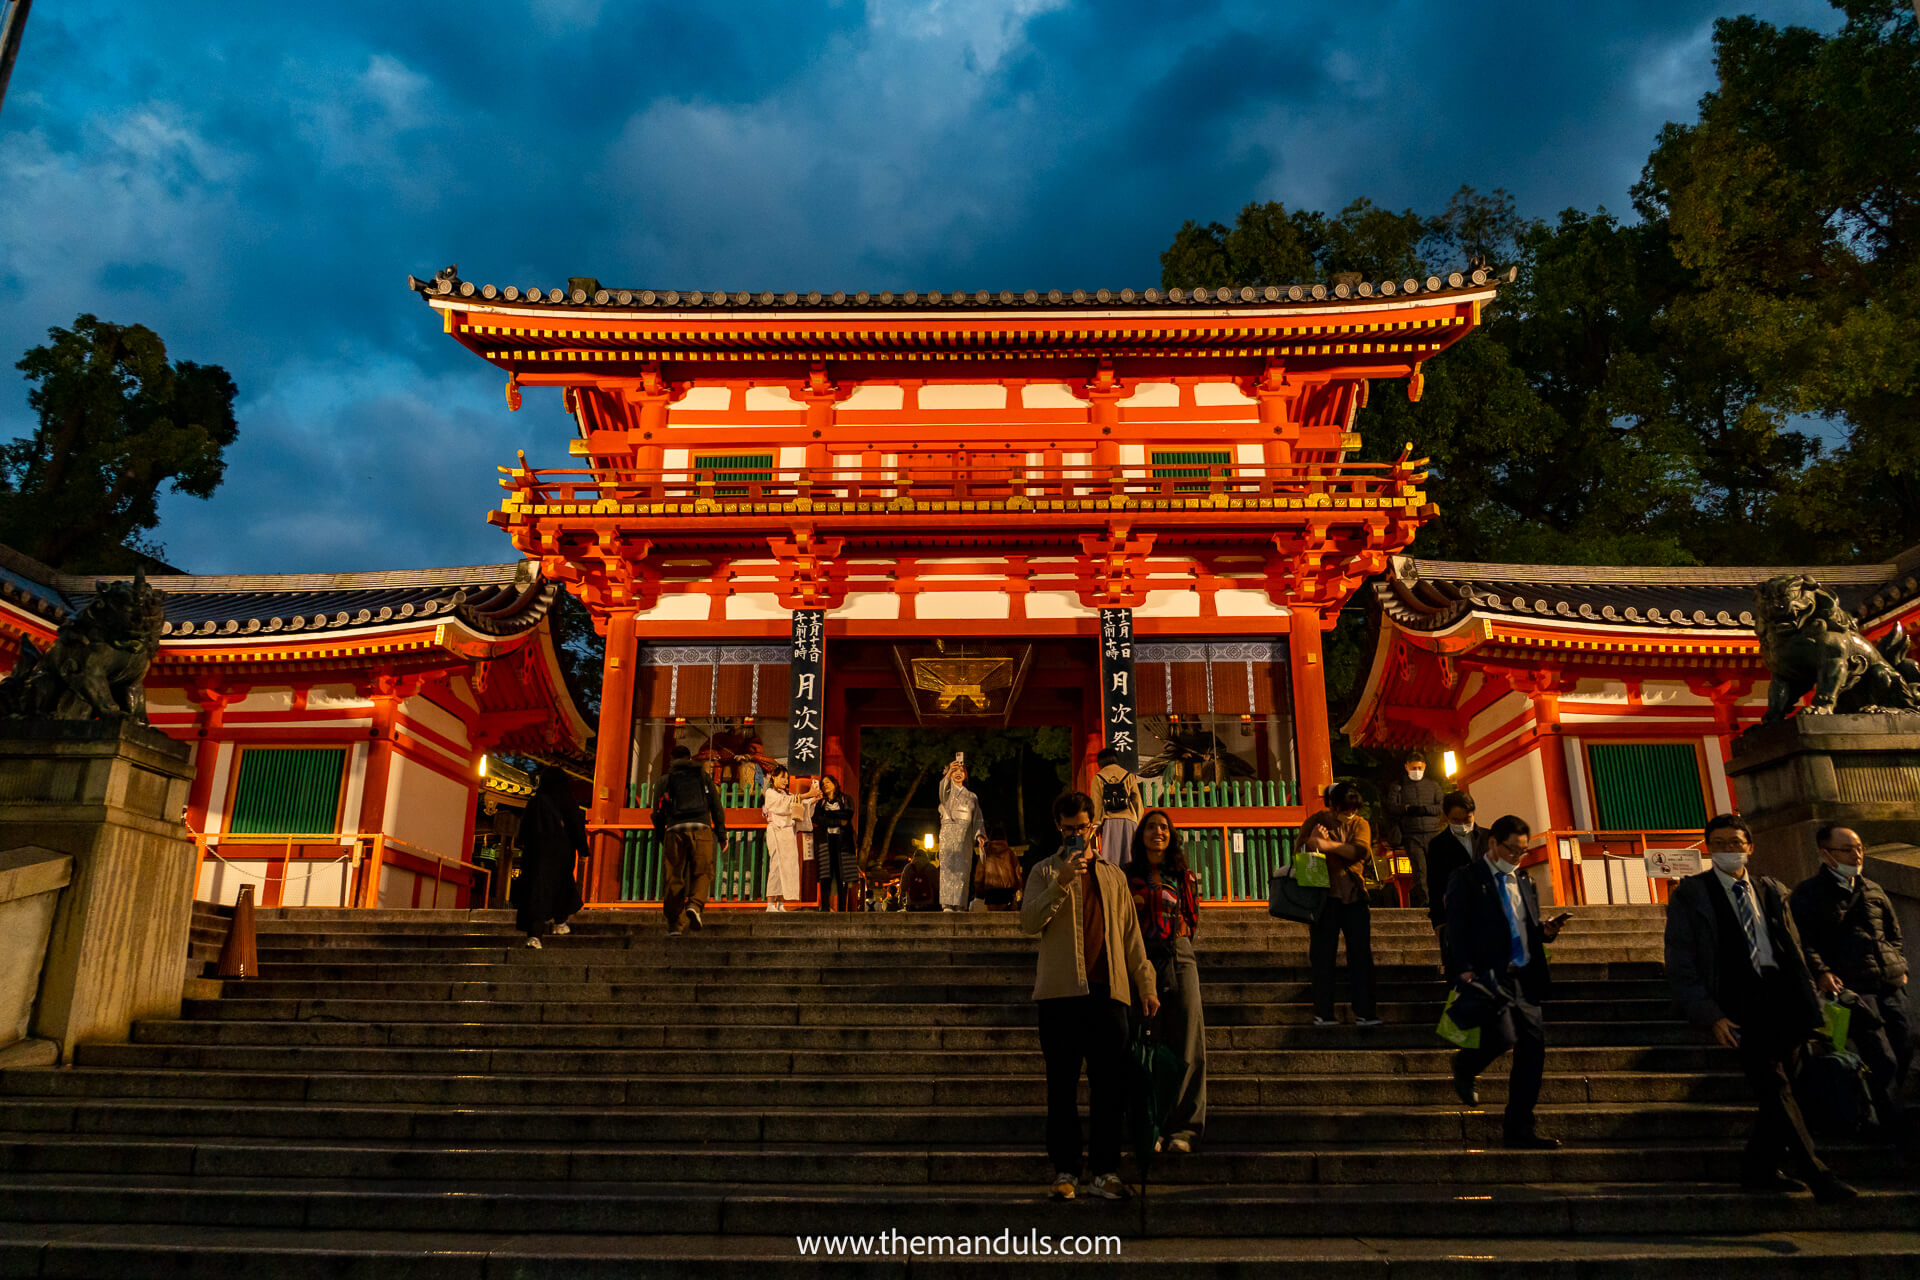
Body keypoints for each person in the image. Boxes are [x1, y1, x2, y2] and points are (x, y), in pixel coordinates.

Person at [1665, 814, 1858, 1203]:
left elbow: (1793, 943)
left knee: (1791, 1088)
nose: (1729, 851)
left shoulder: (1770, 889)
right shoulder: (1693, 895)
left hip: (1784, 997)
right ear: (1708, 849)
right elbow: (1681, 959)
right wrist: (1709, 1013)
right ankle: (1818, 1175)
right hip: (1738, 1001)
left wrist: (1815, 977)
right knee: (1775, 1085)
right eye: (1719, 844)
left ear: (1750, 847)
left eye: (1736, 843)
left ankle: (1758, 1169)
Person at [1020, 790, 1159, 1201]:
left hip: (1109, 991)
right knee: (1061, 1086)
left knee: (1109, 1087)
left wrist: (1145, 983)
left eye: (1082, 827)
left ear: (1094, 826)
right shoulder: (1044, 871)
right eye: (1068, 829)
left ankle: (1104, 1170)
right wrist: (1063, 879)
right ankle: (1065, 1169)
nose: (1076, 835)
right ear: (1058, 829)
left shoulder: (1114, 876)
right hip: (1060, 994)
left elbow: (1132, 936)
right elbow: (1029, 921)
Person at [1445, 814, 1566, 1149]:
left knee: (1532, 1051)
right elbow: (1457, 927)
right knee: (1502, 1038)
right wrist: (1465, 967)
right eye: (1512, 850)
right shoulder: (1468, 879)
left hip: (1526, 974)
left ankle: (1520, 1127)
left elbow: (1527, 925)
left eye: (1523, 851)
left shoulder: (1524, 879)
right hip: (1491, 972)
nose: (1517, 857)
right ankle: (1467, 1064)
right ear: (1493, 844)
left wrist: (1546, 932)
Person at [1790, 825, 1913, 1154]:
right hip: (1852, 989)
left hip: (1888, 983)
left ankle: (1875, 1108)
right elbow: (1805, 941)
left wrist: (1899, 966)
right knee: (1881, 1055)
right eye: (1847, 850)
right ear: (1825, 853)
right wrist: (1821, 972)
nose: (1856, 855)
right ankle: (1890, 1125)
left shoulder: (1873, 888)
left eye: (1859, 847)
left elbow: (1892, 932)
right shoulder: (1809, 894)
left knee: (1903, 1046)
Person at [1127, 808, 1206, 1153]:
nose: (1157, 832)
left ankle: (1185, 1129)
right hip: (1140, 956)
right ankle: (1149, 1126)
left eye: (1163, 827)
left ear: (1171, 835)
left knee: (1187, 1036)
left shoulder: (1183, 876)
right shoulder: (1127, 875)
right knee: (1145, 1042)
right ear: (1140, 834)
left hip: (1178, 952)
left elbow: (1192, 917)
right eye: (1150, 827)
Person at [1300, 782, 1379, 1028]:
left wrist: (1325, 845)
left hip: (1354, 895)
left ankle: (1365, 1011)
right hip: (1324, 898)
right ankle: (1323, 1012)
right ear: (1332, 805)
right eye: (1345, 808)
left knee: (1361, 956)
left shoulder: (1360, 824)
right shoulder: (1315, 821)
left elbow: (1360, 851)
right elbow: (1302, 851)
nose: (1350, 813)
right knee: (1322, 957)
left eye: (1354, 809)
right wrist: (1315, 844)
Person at [652, 745, 726, 936]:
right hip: (701, 828)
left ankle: (674, 923)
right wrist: (721, 833)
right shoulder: (702, 776)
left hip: (674, 830)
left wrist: (661, 835)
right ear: (690, 757)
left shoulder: (664, 780)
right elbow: (716, 806)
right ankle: (694, 904)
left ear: (671, 759)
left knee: (673, 876)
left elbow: (657, 813)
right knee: (703, 871)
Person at [512, 766, 587, 950]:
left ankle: (534, 936)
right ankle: (560, 923)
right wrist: (583, 849)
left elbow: (524, 830)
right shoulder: (567, 801)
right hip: (561, 855)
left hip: (536, 856)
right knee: (561, 887)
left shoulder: (536, 802)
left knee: (537, 893)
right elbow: (576, 827)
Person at [1426, 791, 1488, 973]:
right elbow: (1435, 883)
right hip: (1456, 915)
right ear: (1447, 817)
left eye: (1467, 819)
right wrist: (1438, 920)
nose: (1462, 825)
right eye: (1456, 820)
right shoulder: (1438, 845)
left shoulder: (1488, 838)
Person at [1382, 750, 1445, 909]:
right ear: (1406, 767)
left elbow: (1441, 807)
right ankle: (1426, 903)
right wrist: (1406, 809)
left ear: (1424, 767)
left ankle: (1440, 900)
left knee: (1436, 869)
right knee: (1420, 871)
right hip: (1411, 834)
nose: (1416, 771)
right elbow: (1391, 807)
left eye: (1419, 768)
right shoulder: (1398, 787)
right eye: (1413, 768)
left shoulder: (1433, 786)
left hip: (1432, 832)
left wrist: (1424, 810)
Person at [761, 766, 815, 912]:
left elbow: (795, 803)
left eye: (786, 777)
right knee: (776, 865)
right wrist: (806, 795)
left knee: (788, 866)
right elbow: (786, 803)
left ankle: (781, 903)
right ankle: (770, 903)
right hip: (776, 831)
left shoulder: (786, 794)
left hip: (787, 833)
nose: (785, 781)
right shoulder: (770, 793)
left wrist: (812, 800)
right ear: (773, 777)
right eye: (782, 777)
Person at [937, 756, 987, 912]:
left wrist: (979, 835)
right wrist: (948, 772)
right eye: (955, 771)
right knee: (947, 868)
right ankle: (947, 904)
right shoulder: (947, 792)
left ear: (966, 775)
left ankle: (959, 903)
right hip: (948, 832)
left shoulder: (972, 797)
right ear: (950, 774)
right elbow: (942, 790)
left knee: (962, 869)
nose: (958, 773)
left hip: (965, 833)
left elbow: (977, 818)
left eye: (961, 771)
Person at [1090, 746, 1143, 867]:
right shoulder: (1128, 775)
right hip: (1129, 821)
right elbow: (1137, 800)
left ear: (1100, 762)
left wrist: (1096, 824)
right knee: (1130, 858)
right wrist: (1137, 820)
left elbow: (1096, 803)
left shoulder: (1098, 778)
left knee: (1111, 861)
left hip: (1109, 822)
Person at [813, 774, 858, 912]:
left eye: (827, 782)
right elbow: (817, 819)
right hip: (825, 841)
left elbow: (848, 815)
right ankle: (825, 907)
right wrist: (838, 820)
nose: (824, 785)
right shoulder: (820, 803)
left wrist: (828, 816)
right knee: (825, 874)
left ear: (835, 784)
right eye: (822, 784)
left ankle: (842, 907)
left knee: (842, 874)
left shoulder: (845, 799)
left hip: (842, 842)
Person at [974, 822, 1022, 910]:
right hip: (1007, 893)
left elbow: (979, 875)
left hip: (990, 893)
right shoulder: (1010, 853)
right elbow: (1018, 876)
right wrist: (1016, 890)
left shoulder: (986, 853)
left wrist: (979, 893)